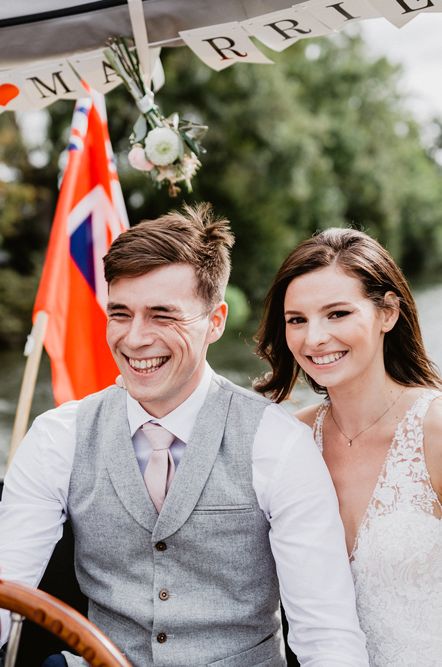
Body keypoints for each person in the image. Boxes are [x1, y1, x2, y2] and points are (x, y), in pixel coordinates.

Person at [0, 205, 368, 667]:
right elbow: (6, 587)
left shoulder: (277, 443)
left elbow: (326, 636)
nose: (134, 339)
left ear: (215, 322)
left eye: (162, 315)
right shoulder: (57, 437)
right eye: (120, 313)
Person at [255, 226, 442, 666]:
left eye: (337, 314)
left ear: (388, 313)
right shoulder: (286, 441)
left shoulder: (435, 431)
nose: (313, 338)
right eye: (296, 320)